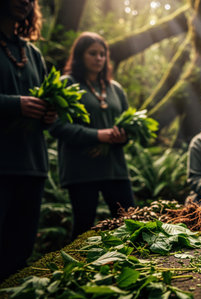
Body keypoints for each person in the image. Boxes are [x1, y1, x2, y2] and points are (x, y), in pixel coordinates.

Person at [50, 32, 134, 240]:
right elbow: (57, 126)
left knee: (131, 221)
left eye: (102, 54)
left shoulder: (116, 89)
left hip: (115, 168)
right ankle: (78, 271)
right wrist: (99, 135)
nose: (99, 58)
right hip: (81, 170)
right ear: (80, 56)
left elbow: (130, 127)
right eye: (92, 53)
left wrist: (121, 136)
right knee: (84, 228)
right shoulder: (67, 84)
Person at [0, 0, 57, 281]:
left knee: (19, 254)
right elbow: (18, 105)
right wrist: (14, 105)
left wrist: (49, 115)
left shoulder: (32, 53)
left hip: (32, 166)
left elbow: (48, 105)